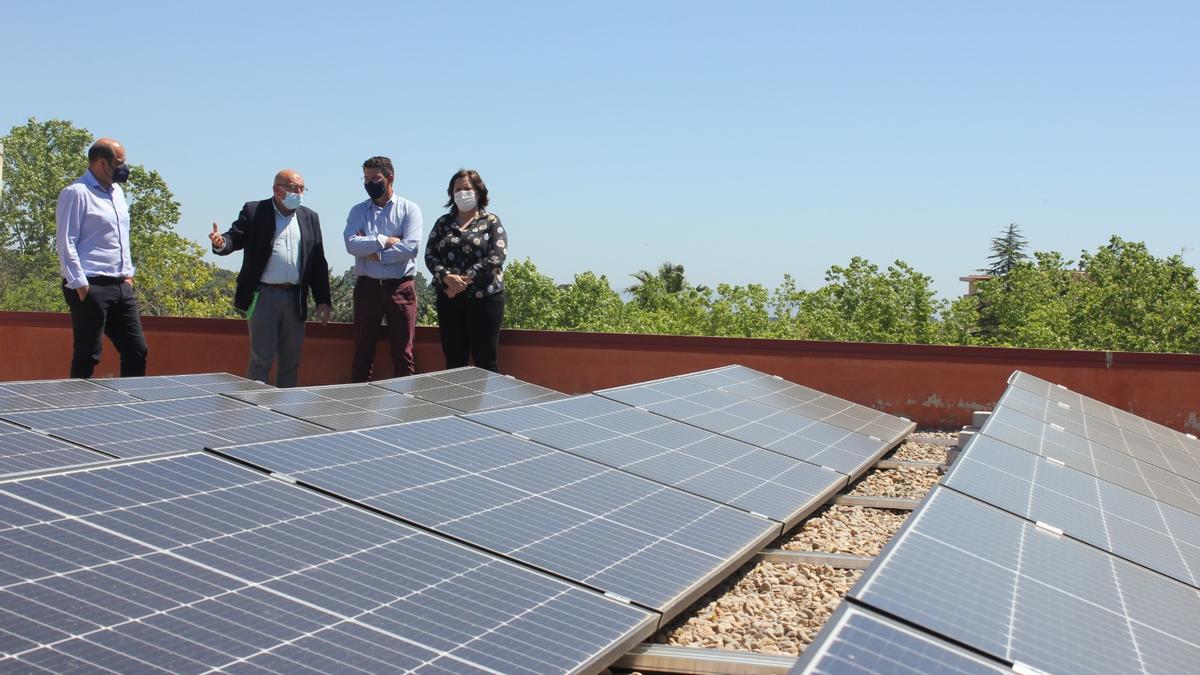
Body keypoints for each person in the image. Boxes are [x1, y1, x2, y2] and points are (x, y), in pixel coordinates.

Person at [209, 169, 331, 387]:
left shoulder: (309, 217)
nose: (300, 193)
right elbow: (234, 238)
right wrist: (221, 244)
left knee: (290, 362)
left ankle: (284, 413)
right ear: (277, 190)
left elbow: (317, 262)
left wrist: (323, 300)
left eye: (303, 189)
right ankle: (255, 412)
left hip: (295, 298)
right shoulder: (255, 210)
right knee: (261, 360)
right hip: (263, 296)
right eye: (294, 188)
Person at [55, 138, 148, 378]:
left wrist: (128, 275)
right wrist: (81, 286)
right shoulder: (76, 193)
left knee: (137, 350)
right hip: (90, 284)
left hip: (120, 285)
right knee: (89, 354)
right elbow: (67, 242)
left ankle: (130, 409)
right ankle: (77, 411)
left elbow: (120, 237)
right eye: (120, 162)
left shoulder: (118, 192)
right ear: (101, 163)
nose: (124, 167)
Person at [343, 156, 422, 381]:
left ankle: (405, 406)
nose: (369, 183)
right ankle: (358, 407)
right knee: (362, 353)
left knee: (403, 354)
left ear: (390, 178)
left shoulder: (410, 209)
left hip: (400, 287)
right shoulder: (358, 211)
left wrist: (371, 252)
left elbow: (411, 248)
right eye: (365, 179)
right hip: (367, 287)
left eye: (375, 178)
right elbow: (350, 244)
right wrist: (385, 240)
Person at [425, 169, 507, 372]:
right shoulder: (443, 223)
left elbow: (497, 256)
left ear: (478, 192)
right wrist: (447, 278)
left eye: (467, 188)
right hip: (449, 300)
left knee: (486, 360)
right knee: (454, 361)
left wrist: (462, 281)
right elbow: (430, 255)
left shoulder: (491, 221)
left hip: (485, 299)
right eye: (457, 189)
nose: (462, 193)